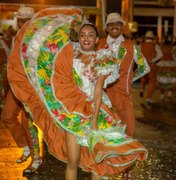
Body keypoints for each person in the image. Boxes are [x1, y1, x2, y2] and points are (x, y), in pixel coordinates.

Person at [7, 7, 148, 179]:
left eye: (90, 35)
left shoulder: (102, 58)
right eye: (82, 35)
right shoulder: (68, 57)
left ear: (97, 39)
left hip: (96, 112)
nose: (86, 38)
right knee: (73, 161)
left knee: (98, 163)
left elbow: (97, 91)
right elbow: (49, 62)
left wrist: (94, 121)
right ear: (78, 38)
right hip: (72, 113)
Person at [1, 5, 41, 174]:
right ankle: (24, 145)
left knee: (28, 123)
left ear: (32, 22)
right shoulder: (16, 36)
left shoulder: (37, 39)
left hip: (29, 87)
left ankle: (36, 158)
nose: (22, 23)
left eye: (26, 20)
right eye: (20, 20)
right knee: (7, 116)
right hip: (15, 85)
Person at [97, 13, 150, 138]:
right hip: (101, 96)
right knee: (104, 134)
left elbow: (145, 68)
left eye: (117, 23)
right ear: (106, 27)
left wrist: (130, 78)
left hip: (123, 96)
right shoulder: (99, 44)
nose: (114, 26)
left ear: (122, 26)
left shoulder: (132, 46)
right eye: (111, 24)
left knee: (127, 132)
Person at [140, 31, 163, 105]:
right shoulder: (155, 45)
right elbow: (160, 55)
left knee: (144, 78)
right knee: (152, 81)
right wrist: (153, 60)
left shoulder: (141, 45)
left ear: (145, 38)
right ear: (152, 38)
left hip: (143, 64)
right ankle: (148, 97)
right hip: (151, 65)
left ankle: (141, 89)